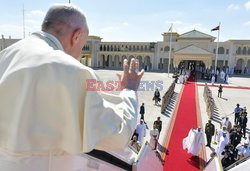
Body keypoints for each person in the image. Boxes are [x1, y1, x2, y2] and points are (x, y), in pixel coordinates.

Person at [0, 4, 145, 171]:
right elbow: (117, 135)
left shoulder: (6, 55)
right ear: (76, 36)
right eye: (82, 46)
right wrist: (130, 90)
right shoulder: (71, 70)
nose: (79, 53)